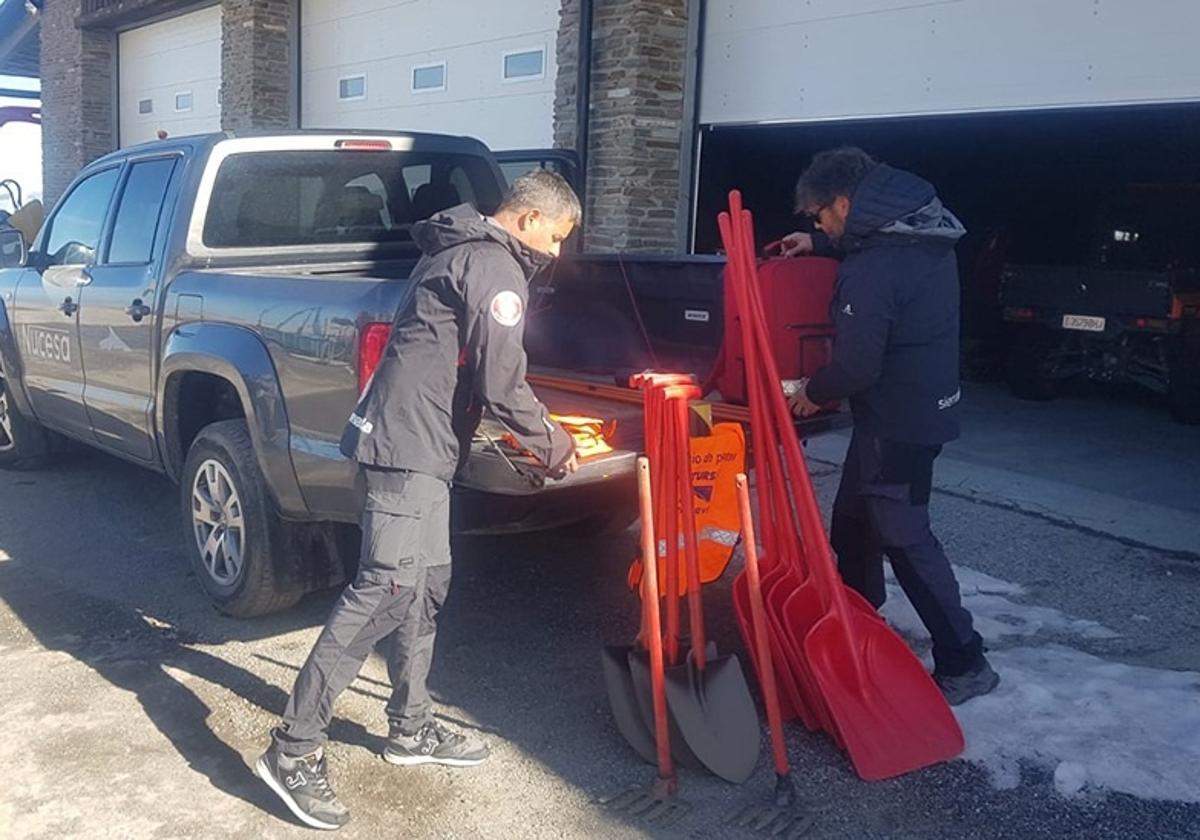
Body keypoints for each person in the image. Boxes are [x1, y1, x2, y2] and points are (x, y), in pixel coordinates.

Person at [256, 170, 582, 831]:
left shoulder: (463, 249)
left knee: (424, 584)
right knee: (384, 591)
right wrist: (553, 442)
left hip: (420, 447)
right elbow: (500, 380)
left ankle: (410, 728)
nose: (558, 253)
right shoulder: (494, 267)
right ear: (529, 218)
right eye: (557, 236)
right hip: (407, 449)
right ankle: (292, 750)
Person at [782, 147, 999, 706]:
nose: (817, 224)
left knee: (904, 537)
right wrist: (821, 245)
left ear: (846, 202)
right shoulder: (920, 232)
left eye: (820, 217)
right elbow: (877, 252)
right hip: (920, 410)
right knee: (853, 521)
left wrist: (813, 392)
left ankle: (964, 660)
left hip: (898, 420)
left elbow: (856, 366)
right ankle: (858, 621)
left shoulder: (872, 270)